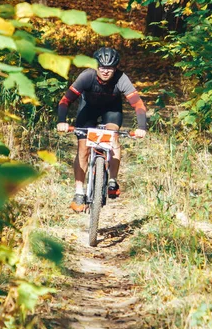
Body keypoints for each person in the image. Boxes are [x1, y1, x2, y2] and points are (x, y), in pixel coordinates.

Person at [56, 47, 147, 212]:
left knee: (113, 138)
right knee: (83, 149)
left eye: (110, 68)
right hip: (88, 110)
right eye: (102, 67)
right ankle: (78, 193)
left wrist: (141, 127)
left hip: (111, 111)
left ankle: (112, 180)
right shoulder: (87, 76)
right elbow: (65, 100)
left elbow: (138, 104)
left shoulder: (121, 79)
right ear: (95, 66)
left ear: (116, 68)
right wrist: (61, 121)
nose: (105, 71)